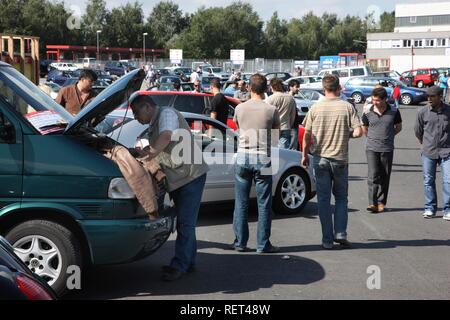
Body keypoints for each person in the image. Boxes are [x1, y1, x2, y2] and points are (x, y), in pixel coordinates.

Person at [129, 93, 209, 281]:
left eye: (136, 112)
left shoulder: (166, 114)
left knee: (185, 224)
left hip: (190, 176)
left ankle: (179, 266)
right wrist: (147, 152)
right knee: (186, 223)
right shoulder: (155, 120)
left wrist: (150, 154)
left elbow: (166, 135)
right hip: (182, 177)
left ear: (147, 107)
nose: (135, 117)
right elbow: (163, 146)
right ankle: (188, 262)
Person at [302, 74, 363, 250]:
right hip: (340, 159)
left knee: (323, 200)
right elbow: (359, 132)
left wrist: (304, 154)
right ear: (339, 89)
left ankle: (327, 240)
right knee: (341, 198)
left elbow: (306, 134)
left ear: (323, 89)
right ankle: (341, 233)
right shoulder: (347, 107)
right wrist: (348, 135)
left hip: (320, 158)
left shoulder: (315, 108)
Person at [230, 73, 281, 253]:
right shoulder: (271, 110)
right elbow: (275, 138)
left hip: (243, 156)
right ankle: (262, 244)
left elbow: (238, 128)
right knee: (264, 203)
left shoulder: (240, 108)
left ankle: (240, 242)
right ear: (266, 89)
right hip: (263, 158)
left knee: (241, 202)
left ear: (249, 88)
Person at [362, 87, 402, 213]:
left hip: (387, 148)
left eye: (378, 100)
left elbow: (398, 127)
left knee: (384, 175)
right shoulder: (368, 112)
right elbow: (365, 128)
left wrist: (388, 136)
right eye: (373, 100)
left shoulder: (394, 111)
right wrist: (373, 138)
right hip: (371, 148)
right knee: (373, 175)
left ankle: (381, 203)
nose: (375, 102)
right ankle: (372, 203)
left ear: (385, 99)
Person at [414, 86, 450, 221]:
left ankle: (448, 210)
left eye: (432, 96)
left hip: (447, 151)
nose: (429, 99)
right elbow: (418, 131)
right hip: (429, 151)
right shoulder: (422, 112)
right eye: (428, 96)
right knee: (428, 180)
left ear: (440, 97)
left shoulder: (449, 111)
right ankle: (430, 208)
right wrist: (424, 144)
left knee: (448, 180)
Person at [266, 78, 297, 150]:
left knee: (273, 151)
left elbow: (267, 115)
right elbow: (293, 115)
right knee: (283, 151)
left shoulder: (270, 99)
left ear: (272, 87)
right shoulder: (290, 98)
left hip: (273, 128)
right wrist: (290, 125)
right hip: (285, 126)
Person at [288, 79, 301, 150]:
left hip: (293, 125)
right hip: (292, 126)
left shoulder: (291, 98)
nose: (298, 89)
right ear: (291, 87)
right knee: (292, 148)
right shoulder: (289, 98)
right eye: (297, 87)